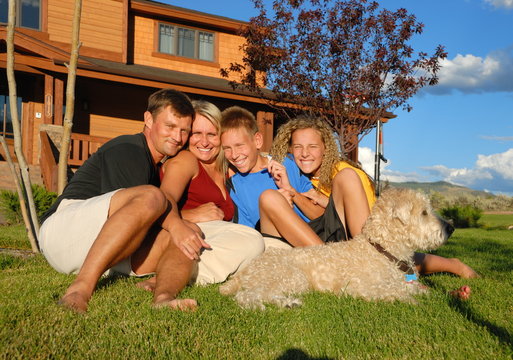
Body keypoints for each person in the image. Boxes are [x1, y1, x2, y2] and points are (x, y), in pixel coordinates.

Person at [39, 88, 209, 313]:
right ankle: (79, 290)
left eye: (184, 131)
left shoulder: (155, 165)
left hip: (99, 247)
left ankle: (163, 299)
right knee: (155, 198)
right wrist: (179, 221)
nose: (177, 137)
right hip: (63, 233)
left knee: (190, 234)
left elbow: (137, 221)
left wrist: (184, 225)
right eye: (169, 126)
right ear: (148, 119)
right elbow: (139, 208)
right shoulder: (128, 148)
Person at [262, 115, 478, 279]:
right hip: (320, 240)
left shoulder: (343, 173)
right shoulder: (294, 172)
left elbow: (368, 222)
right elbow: (319, 217)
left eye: (312, 147)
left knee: (393, 257)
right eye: (297, 147)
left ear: (325, 148)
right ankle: (450, 265)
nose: (304, 153)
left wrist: (304, 197)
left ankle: (452, 266)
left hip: (359, 242)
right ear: (289, 148)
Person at [136, 100, 264, 301]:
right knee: (253, 240)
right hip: (177, 236)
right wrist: (190, 215)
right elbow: (161, 201)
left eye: (212, 134)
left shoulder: (225, 169)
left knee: (257, 244)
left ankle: (171, 275)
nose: (204, 142)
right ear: (187, 136)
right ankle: (168, 279)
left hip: (211, 239)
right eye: (197, 133)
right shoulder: (186, 160)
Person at [220, 106, 324, 248]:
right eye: (227, 148)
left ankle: (324, 258)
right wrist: (275, 210)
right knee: (270, 197)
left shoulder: (289, 163)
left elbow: (320, 216)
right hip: (277, 248)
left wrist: (291, 192)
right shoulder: (234, 186)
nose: (234, 154)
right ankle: (327, 261)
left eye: (239, 145)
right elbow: (246, 235)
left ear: (257, 140)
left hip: (314, 237)